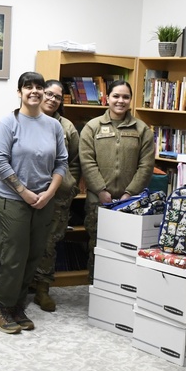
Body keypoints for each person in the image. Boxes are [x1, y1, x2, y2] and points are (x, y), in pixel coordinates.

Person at [0, 71, 67, 334]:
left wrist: (48, 193)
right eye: (28, 87)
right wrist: (24, 192)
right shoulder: (8, 123)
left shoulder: (54, 126)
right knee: (13, 257)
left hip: (44, 200)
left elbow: (62, 163)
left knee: (33, 256)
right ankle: (1, 308)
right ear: (20, 92)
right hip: (14, 199)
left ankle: (17, 306)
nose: (34, 91)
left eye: (39, 87)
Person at [78, 79, 155, 277]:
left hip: (130, 202)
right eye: (116, 96)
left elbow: (146, 165)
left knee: (127, 247)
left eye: (125, 97)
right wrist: (101, 190)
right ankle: (96, 287)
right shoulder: (92, 127)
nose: (120, 101)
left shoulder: (141, 129)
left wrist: (130, 193)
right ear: (107, 98)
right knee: (98, 245)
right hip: (98, 200)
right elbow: (87, 161)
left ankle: (122, 289)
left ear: (130, 100)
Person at [32, 79, 82, 312]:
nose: (52, 99)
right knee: (23, 242)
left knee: (49, 243)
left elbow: (74, 162)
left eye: (58, 97)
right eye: (49, 94)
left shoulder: (67, 127)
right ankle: (19, 288)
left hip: (58, 195)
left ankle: (42, 290)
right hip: (26, 193)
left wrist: (68, 187)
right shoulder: (22, 119)